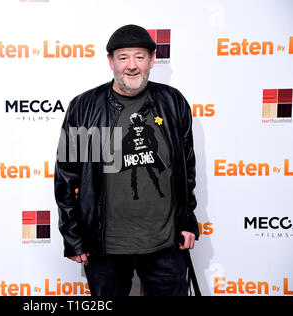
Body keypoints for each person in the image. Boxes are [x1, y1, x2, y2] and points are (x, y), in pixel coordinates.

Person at [54, 24, 201, 296]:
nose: (131, 66)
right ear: (111, 62)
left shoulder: (172, 102)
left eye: (140, 57)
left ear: (153, 60)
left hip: (165, 243)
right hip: (105, 246)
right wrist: (73, 238)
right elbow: (66, 178)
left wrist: (187, 221)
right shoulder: (85, 108)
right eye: (123, 58)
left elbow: (186, 169)